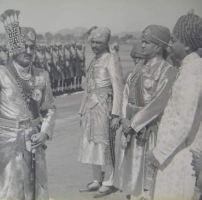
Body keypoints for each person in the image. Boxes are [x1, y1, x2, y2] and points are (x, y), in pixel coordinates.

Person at [0, 9, 56, 200]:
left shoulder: (42, 75)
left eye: (33, 47)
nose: (29, 52)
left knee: (32, 190)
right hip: (5, 142)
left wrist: (45, 132)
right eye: (25, 46)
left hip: (33, 141)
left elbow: (49, 109)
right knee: (6, 191)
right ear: (14, 47)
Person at [114, 25, 176, 200]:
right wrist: (124, 118)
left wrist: (134, 123)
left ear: (158, 47)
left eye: (147, 42)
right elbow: (126, 91)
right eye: (142, 41)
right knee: (130, 174)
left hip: (147, 129)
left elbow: (159, 103)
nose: (142, 45)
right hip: (130, 127)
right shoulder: (139, 66)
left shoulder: (166, 70)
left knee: (145, 176)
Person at [145, 11, 202, 200]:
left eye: (174, 40)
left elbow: (184, 123)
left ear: (186, 44)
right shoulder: (188, 68)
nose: (170, 44)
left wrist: (158, 153)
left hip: (179, 156)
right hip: (175, 152)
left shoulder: (192, 73)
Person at [78, 27, 124, 198]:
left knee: (105, 144)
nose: (95, 45)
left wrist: (116, 114)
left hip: (104, 107)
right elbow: (88, 88)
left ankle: (109, 181)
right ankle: (97, 179)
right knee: (91, 143)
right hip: (90, 107)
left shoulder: (110, 59)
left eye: (99, 42)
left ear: (106, 43)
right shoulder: (94, 60)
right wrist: (81, 110)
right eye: (93, 42)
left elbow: (118, 87)